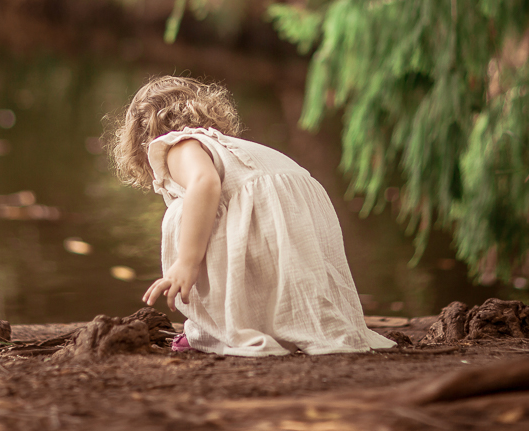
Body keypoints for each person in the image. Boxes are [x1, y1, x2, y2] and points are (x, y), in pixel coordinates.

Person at [109, 75, 395, 356]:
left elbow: (204, 183)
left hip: (267, 203)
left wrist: (187, 261)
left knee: (188, 213)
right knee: (209, 211)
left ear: (141, 135)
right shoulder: (226, 147)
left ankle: (218, 328)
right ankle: (283, 324)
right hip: (299, 203)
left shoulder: (177, 146)